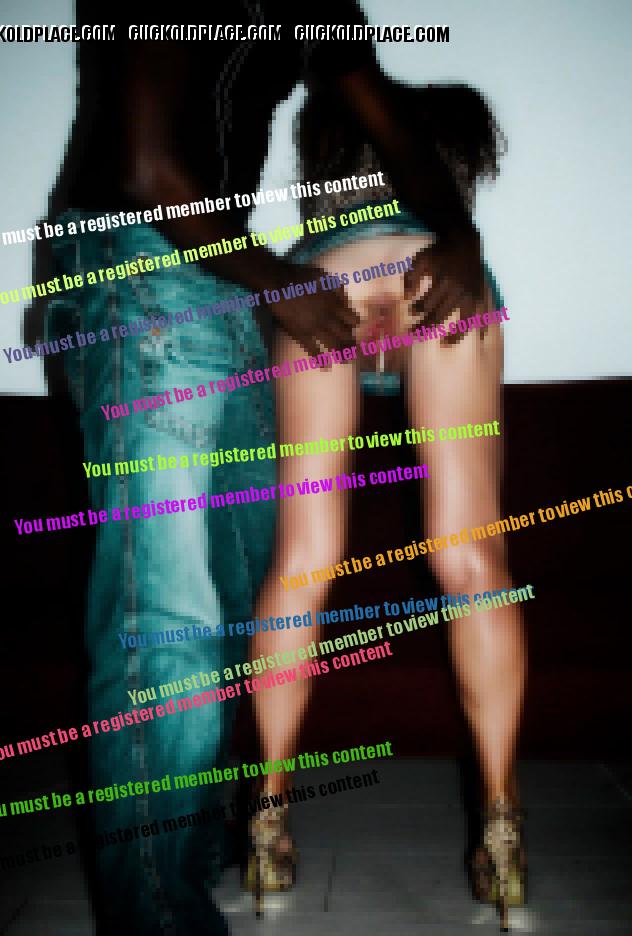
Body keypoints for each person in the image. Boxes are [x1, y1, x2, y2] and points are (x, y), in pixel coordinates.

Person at [24, 4, 495, 933]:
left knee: (243, 594)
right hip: (138, 259)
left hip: (226, 277)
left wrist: (459, 233)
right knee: (169, 618)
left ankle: (185, 860)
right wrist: (280, 282)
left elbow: (386, 112)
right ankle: (158, 915)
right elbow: (148, 174)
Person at [246, 76, 526, 932]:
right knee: (472, 555)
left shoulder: (335, 126)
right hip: (436, 271)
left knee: (303, 559)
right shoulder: (448, 156)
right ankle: (503, 825)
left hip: (326, 275)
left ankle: (269, 819)